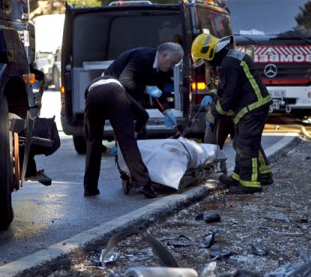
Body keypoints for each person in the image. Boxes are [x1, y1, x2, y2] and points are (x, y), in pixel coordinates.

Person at [82, 42, 184, 199]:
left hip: (96, 93)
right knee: (128, 141)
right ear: (164, 55)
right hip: (117, 91)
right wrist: (146, 89)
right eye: (173, 62)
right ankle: (143, 183)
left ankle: (90, 188)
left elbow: (159, 93)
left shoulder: (161, 68)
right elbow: (125, 81)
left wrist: (166, 112)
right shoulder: (142, 57)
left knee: (93, 141)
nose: (172, 67)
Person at [191, 34, 273, 194]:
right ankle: (241, 177)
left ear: (209, 53)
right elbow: (224, 86)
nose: (207, 64)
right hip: (252, 107)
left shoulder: (228, 63)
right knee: (241, 143)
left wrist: (214, 113)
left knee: (246, 145)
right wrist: (214, 96)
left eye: (205, 60)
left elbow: (230, 94)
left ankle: (249, 184)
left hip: (252, 108)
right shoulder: (229, 58)